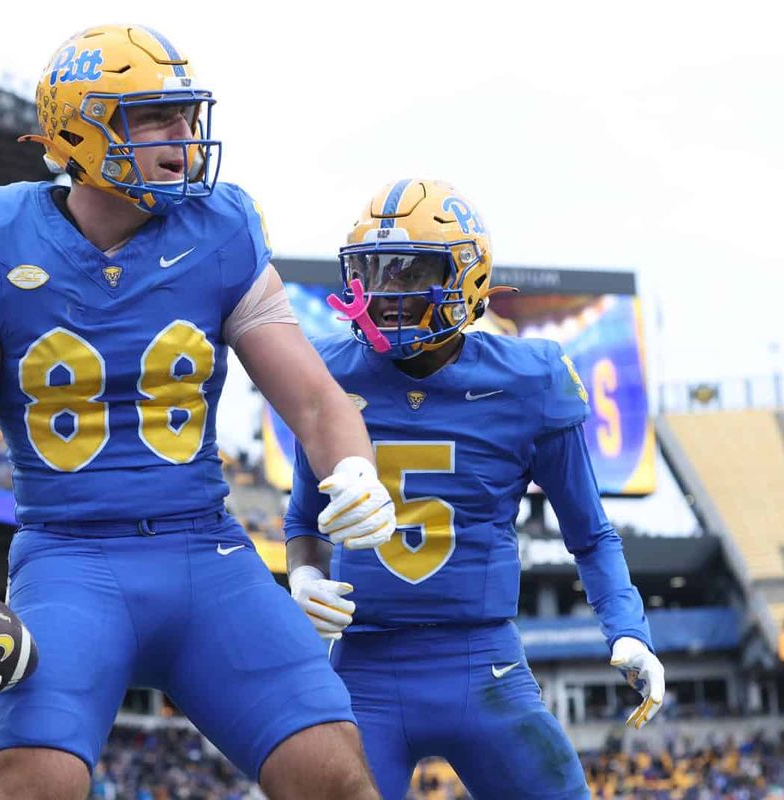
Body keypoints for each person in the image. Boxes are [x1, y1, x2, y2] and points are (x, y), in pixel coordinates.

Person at [0, 25, 396, 800]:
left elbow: (316, 400)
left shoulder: (221, 228)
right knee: (29, 787)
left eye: (186, 114)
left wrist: (355, 468)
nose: (184, 135)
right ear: (81, 131)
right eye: (155, 117)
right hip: (68, 559)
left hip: (205, 552)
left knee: (337, 778)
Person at [284, 179, 665, 799]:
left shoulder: (530, 380)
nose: (384, 292)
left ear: (466, 278)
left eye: (409, 272)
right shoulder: (325, 371)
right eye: (372, 271)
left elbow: (590, 534)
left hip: (482, 662)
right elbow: (305, 520)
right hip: (363, 667)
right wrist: (303, 574)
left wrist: (628, 629)